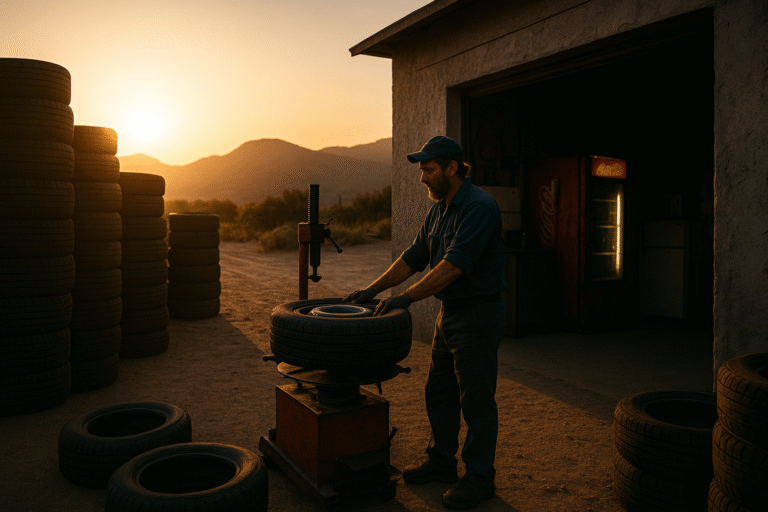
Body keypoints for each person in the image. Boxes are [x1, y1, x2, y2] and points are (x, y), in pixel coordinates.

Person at [343, 135, 506, 509]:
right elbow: (413, 257)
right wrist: (372, 289)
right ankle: (442, 462)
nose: (422, 178)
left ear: (452, 168)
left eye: (428, 170)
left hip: (478, 315)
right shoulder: (439, 210)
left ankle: (480, 477)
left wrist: (406, 297)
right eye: (421, 170)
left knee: (476, 400)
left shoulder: (479, 207)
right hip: (448, 315)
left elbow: (452, 267)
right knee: (440, 392)